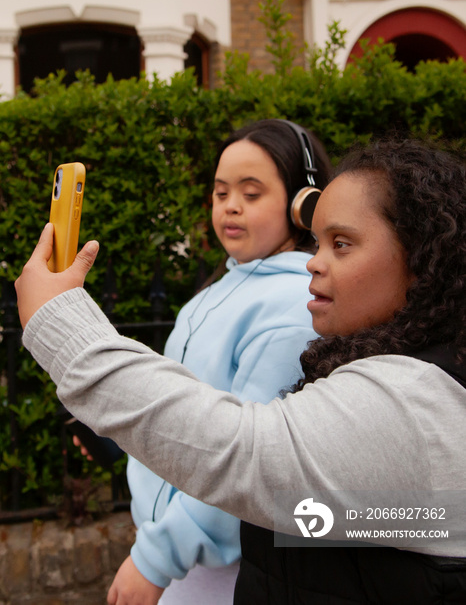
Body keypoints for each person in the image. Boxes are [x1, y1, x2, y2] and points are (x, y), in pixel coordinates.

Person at [15, 138, 466, 604]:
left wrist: (61, 324)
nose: (315, 260)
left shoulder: (413, 402)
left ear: (421, 259)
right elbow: (324, 520)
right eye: (220, 191)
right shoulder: (402, 373)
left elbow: (242, 453)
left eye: (343, 243)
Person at [66, 118, 332, 605]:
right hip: (179, 553)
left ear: (304, 206)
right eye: (221, 192)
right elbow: (188, 420)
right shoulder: (217, 290)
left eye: (252, 194)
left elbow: (250, 463)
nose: (230, 205)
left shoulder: (297, 306)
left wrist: (156, 558)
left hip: (223, 568)